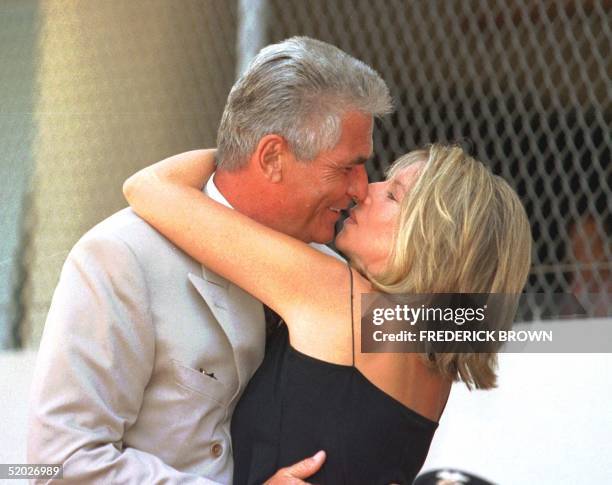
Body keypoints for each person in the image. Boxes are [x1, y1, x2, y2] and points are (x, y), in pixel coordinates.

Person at [27, 37, 392, 484]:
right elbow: (55, 464)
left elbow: (454, 326)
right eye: (346, 168)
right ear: (273, 157)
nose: (361, 189)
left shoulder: (324, 270)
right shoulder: (122, 257)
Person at [123, 143, 533, 484]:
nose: (365, 189)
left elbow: (151, 188)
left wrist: (258, 154)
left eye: (393, 195)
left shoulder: (341, 300)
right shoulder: (434, 361)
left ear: (434, 241)